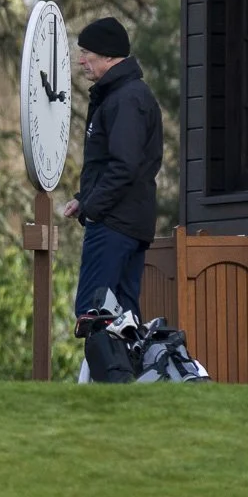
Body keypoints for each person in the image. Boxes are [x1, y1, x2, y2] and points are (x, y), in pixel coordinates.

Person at [63, 17, 163, 316]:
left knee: (95, 315)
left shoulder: (125, 99)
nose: (81, 60)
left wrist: (93, 209)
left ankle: (114, 365)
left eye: (86, 53)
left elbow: (124, 166)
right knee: (123, 320)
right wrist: (84, 200)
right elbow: (115, 162)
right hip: (128, 222)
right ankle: (125, 365)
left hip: (114, 225)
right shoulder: (123, 96)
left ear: (107, 55)